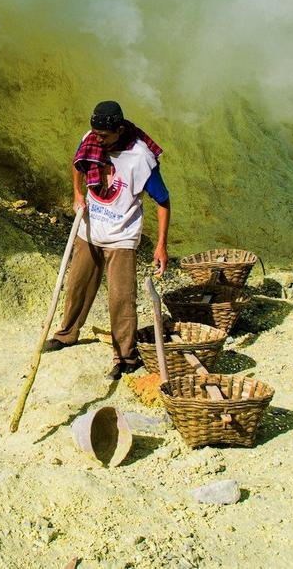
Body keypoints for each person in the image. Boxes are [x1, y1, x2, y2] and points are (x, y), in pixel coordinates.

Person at [44, 101, 171, 381]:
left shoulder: (141, 157)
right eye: (95, 134)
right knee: (77, 285)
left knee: (121, 299)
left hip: (122, 236)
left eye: (104, 136)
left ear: (120, 130)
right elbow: (77, 164)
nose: (98, 140)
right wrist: (78, 194)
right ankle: (67, 334)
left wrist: (161, 245)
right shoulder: (91, 140)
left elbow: (163, 200)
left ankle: (125, 357)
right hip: (89, 229)